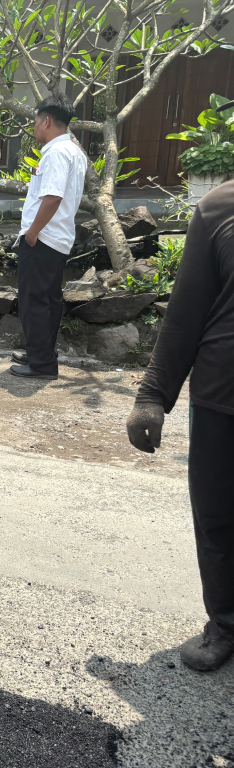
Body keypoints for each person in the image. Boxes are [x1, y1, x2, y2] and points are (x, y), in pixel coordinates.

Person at [127, 180, 234, 672]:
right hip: (222, 396)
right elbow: (186, 311)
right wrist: (152, 396)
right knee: (216, 517)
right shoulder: (217, 208)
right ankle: (226, 624)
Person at [11, 95, 88, 380]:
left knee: (34, 301)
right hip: (57, 237)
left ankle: (41, 364)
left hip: (43, 238)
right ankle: (40, 352)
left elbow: (53, 197)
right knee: (49, 300)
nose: (33, 126)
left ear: (46, 120)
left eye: (34, 120)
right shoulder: (73, 151)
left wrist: (31, 234)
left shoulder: (56, 153)